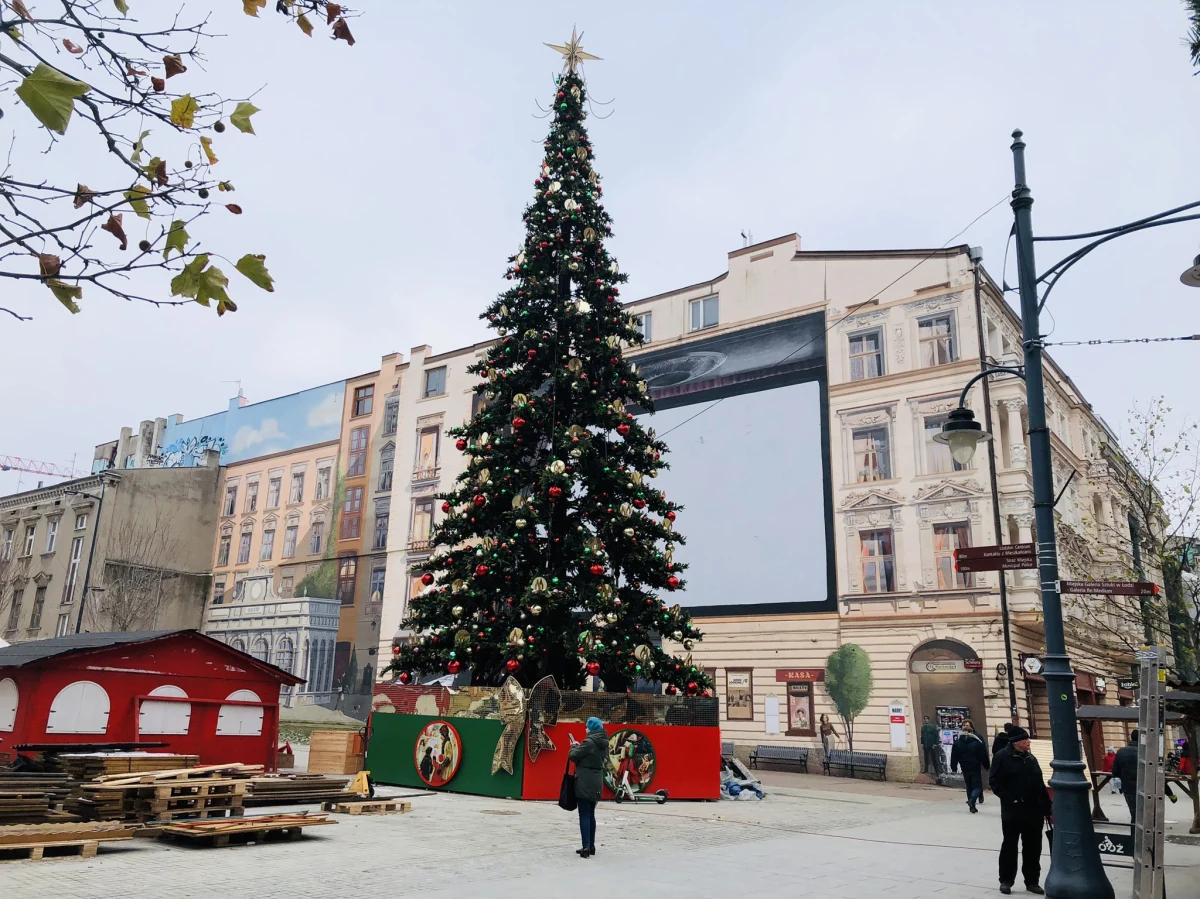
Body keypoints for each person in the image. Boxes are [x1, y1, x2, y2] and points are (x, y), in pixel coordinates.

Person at [988, 726, 1049, 895]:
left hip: (1034, 811)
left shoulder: (1031, 758)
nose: (1028, 742)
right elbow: (994, 781)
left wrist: (1046, 806)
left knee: (1033, 847)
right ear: (1015, 743)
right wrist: (1010, 798)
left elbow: (1039, 783)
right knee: (1010, 846)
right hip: (1013, 811)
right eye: (1025, 740)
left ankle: (1032, 881)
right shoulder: (1002, 757)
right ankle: (1006, 881)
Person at [568, 717, 609, 858]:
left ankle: (585, 847)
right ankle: (591, 846)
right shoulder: (603, 743)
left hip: (585, 781)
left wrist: (574, 745)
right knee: (591, 814)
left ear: (591, 728)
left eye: (587, 727)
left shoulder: (589, 742)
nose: (585, 729)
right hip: (596, 781)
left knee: (584, 814)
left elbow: (573, 756)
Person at [950, 719, 991, 812]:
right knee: (977, 786)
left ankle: (971, 804)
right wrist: (987, 765)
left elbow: (954, 755)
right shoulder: (977, 741)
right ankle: (972, 800)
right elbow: (983, 754)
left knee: (969, 785)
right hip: (975, 765)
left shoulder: (958, 742)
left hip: (964, 765)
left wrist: (954, 767)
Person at [1112, 730, 1140, 820]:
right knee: (1147, 815)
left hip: (1128, 787)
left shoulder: (1121, 751)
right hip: (1146, 788)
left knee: (1134, 814)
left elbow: (1115, 771)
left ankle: (1134, 833)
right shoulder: (1147, 752)